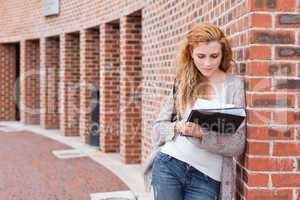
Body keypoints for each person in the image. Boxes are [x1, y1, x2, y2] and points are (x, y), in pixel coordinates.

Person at [143, 23, 246, 200]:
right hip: (169, 166)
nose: (207, 63)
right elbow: (157, 130)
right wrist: (178, 127)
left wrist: (202, 135)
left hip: (207, 178)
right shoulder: (183, 83)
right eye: (201, 56)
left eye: (214, 56)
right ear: (190, 54)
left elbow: (237, 144)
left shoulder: (234, 85)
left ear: (223, 54)